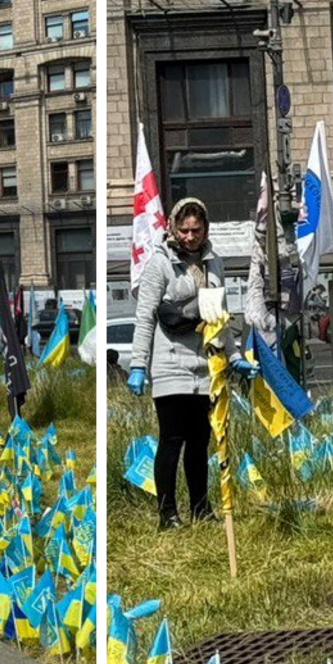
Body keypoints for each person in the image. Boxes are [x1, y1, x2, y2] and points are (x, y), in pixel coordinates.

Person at [127, 197, 229, 530]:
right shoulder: (159, 264)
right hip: (169, 364)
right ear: (173, 227)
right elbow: (145, 317)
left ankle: (201, 507)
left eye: (196, 230)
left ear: (205, 229)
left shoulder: (215, 263)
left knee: (201, 440)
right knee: (172, 439)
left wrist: (235, 357)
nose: (189, 236)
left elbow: (220, 317)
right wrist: (139, 364)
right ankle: (167, 513)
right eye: (184, 230)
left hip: (205, 365)